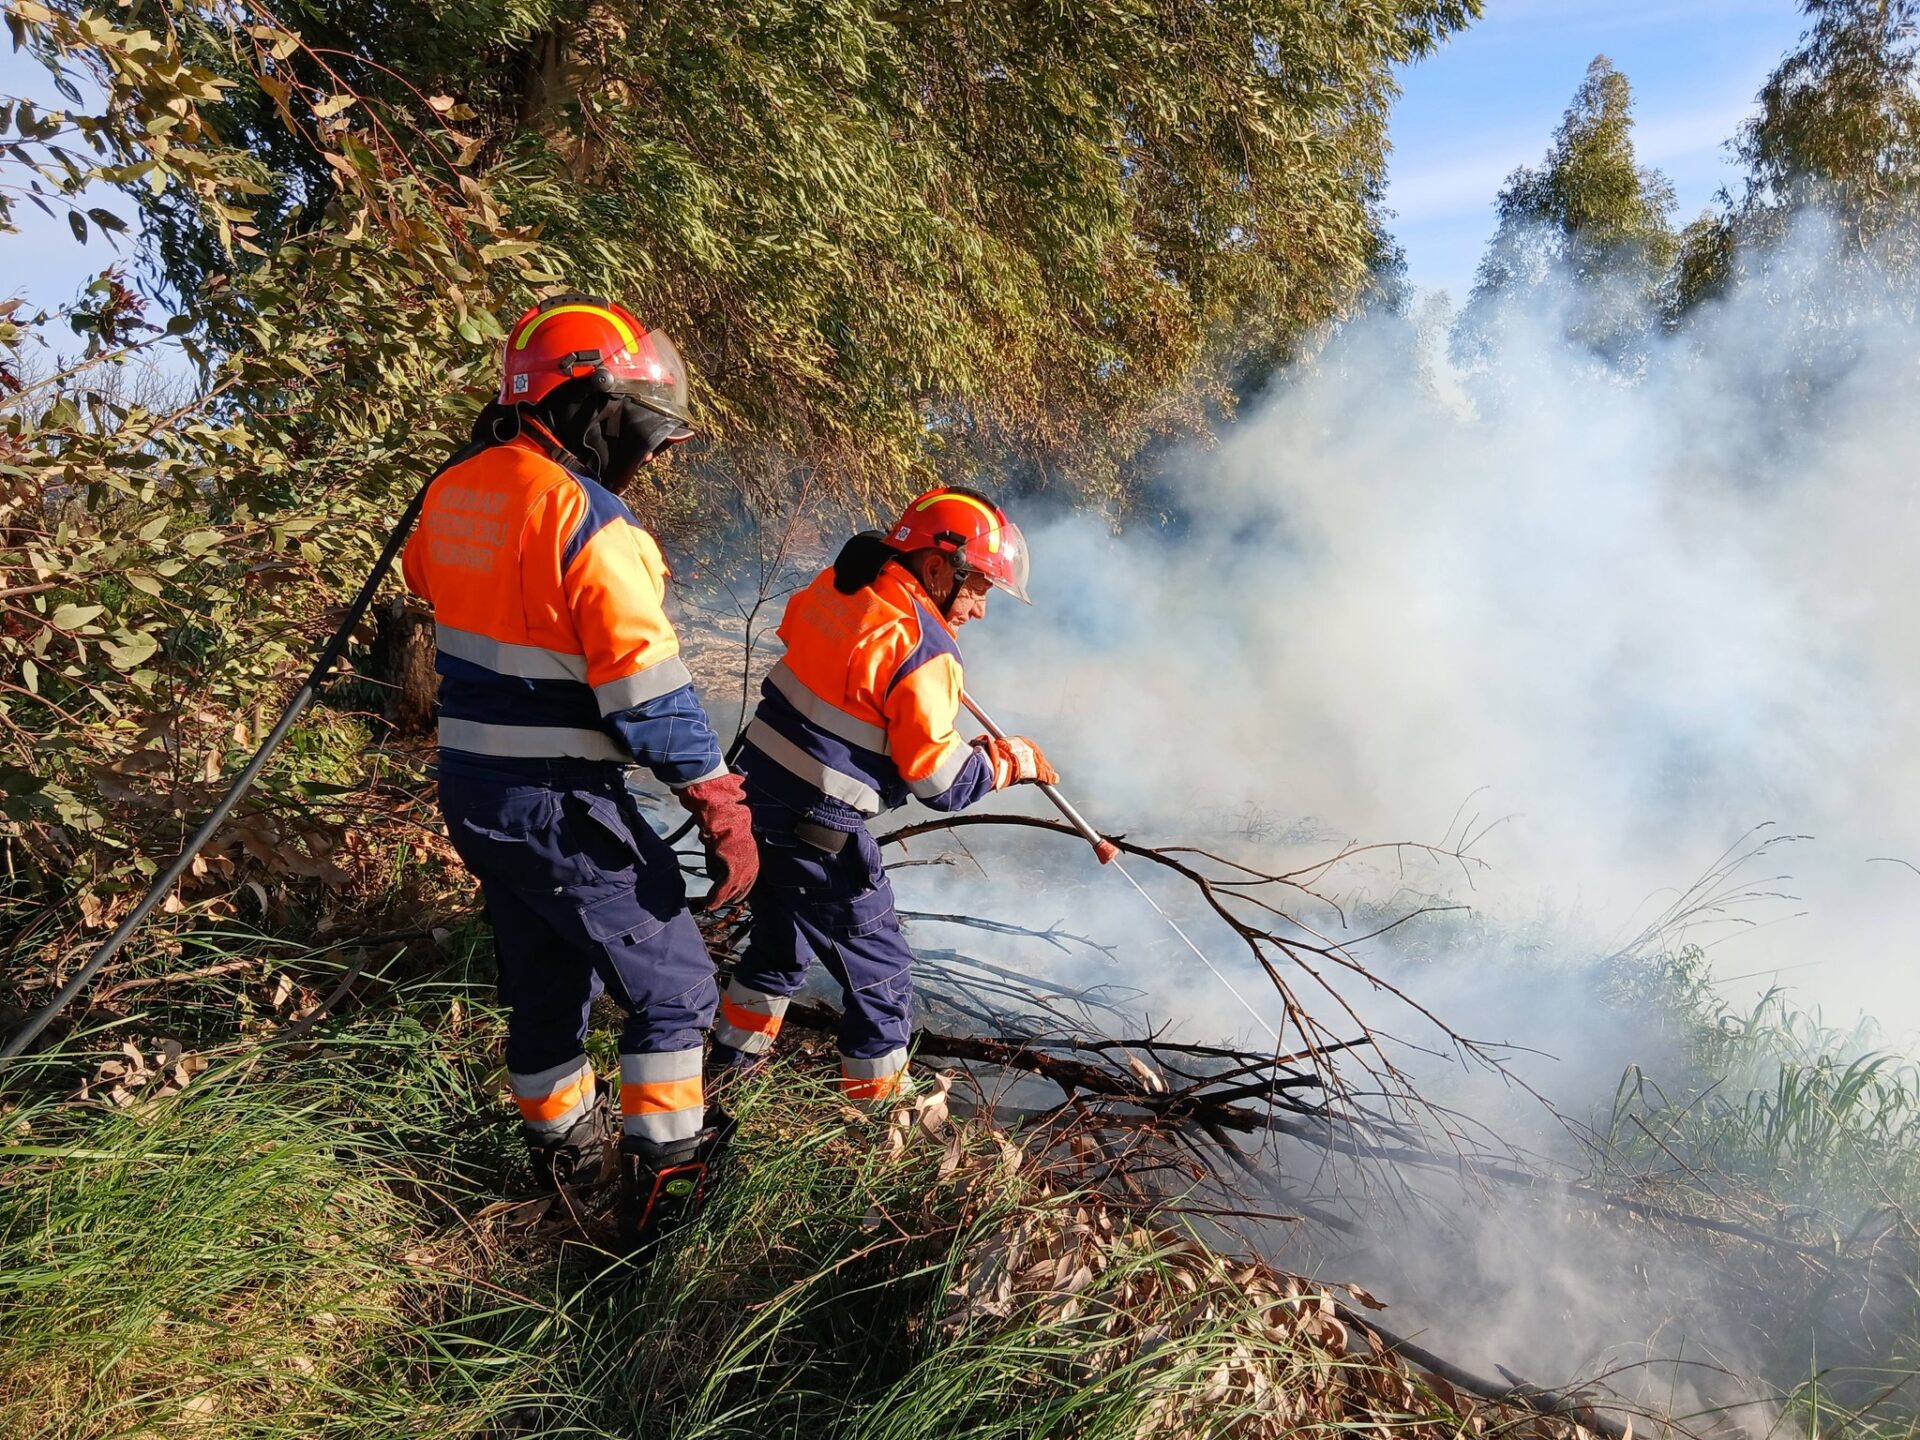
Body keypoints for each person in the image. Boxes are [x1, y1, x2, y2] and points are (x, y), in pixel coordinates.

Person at [401, 294, 757, 1249]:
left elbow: (426, 580)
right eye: (639, 428)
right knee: (676, 991)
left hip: (478, 798)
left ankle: (567, 1167)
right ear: (586, 405)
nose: (648, 455)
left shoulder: (453, 492)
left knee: (549, 987)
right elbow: (649, 695)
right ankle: (665, 1206)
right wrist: (719, 800)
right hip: (558, 803)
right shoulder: (589, 521)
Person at [711, 488, 1057, 1102]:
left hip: (752, 800)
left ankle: (728, 1078)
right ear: (937, 567)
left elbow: (822, 661)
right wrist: (1011, 762)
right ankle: (874, 1121)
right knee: (881, 974)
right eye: (978, 588)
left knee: (780, 947)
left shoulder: (840, 585)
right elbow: (943, 785)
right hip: (817, 830)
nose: (980, 609)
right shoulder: (925, 649)